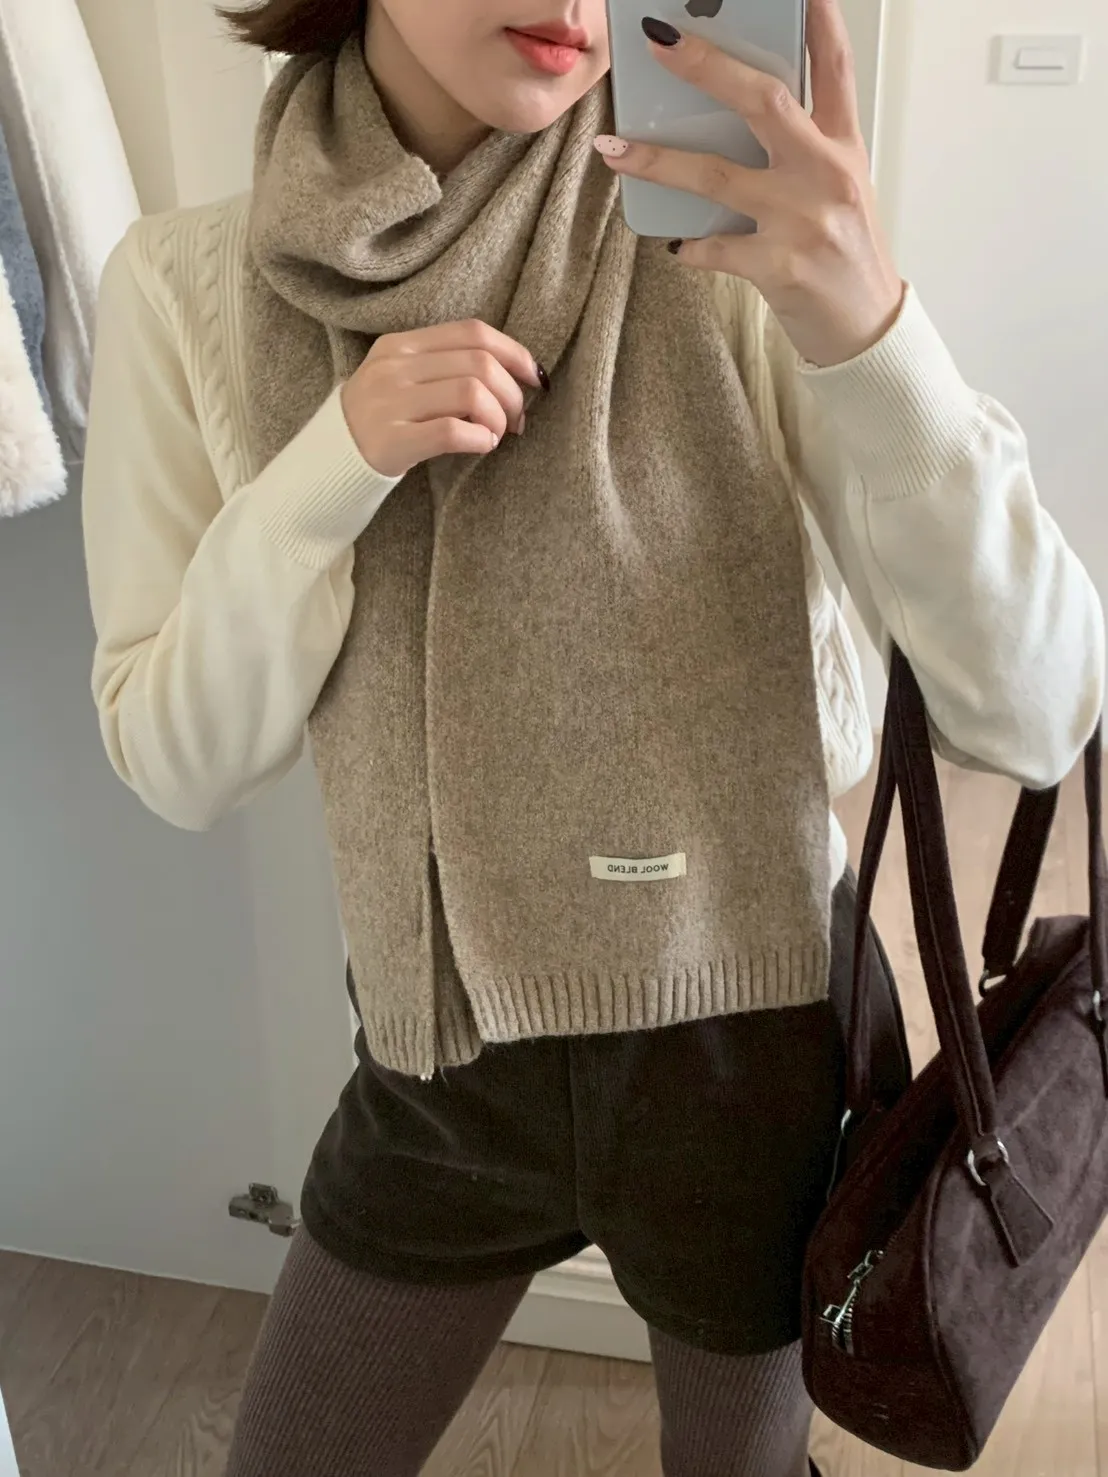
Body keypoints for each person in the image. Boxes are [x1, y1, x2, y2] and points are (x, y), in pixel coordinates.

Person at [81, 0, 1104, 1473]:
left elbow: (1040, 708)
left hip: (748, 1045)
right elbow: (181, 765)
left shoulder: (732, 241)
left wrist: (872, 330)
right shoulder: (187, 283)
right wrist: (332, 465)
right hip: (437, 1052)